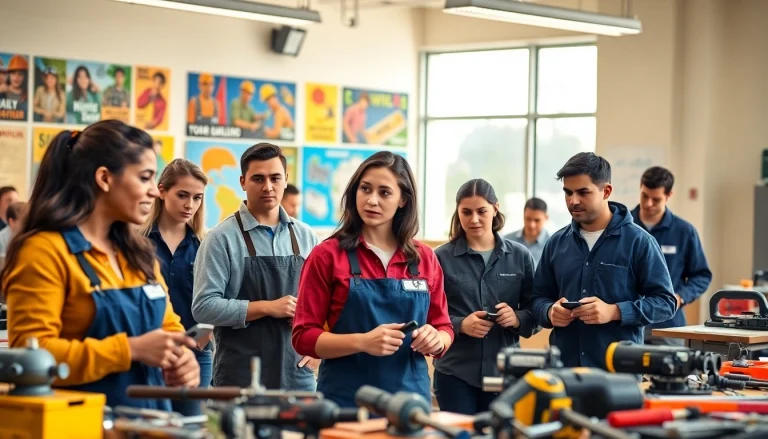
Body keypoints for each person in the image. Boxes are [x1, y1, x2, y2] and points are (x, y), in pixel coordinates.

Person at [1, 120, 199, 410]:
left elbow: (168, 327)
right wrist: (129, 349)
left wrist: (182, 360)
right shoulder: (44, 251)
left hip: (149, 422)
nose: (154, 192)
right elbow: (31, 357)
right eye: (144, 178)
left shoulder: (138, 253)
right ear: (105, 178)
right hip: (82, 423)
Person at [292, 151, 454, 408]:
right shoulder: (327, 255)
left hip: (410, 402)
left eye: (384, 192)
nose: (372, 200)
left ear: (403, 200)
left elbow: (443, 327)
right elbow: (303, 336)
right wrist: (363, 342)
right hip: (345, 401)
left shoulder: (425, 258)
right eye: (365, 189)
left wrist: (437, 340)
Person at [531, 152, 676, 369]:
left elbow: (666, 302)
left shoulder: (639, 242)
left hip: (618, 375)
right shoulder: (556, 243)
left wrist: (615, 311)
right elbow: (537, 298)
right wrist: (549, 311)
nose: (573, 201)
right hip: (564, 372)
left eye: (583, 192)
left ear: (606, 191)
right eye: (568, 193)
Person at [192, 143, 319, 390]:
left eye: (275, 178)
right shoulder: (221, 238)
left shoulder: (307, 237)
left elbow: (323, 303)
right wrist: (267, 307)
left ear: (286, 180)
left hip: (297, 375)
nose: (268, 187)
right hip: (239, 376)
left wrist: (318, 348)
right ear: (242, 182)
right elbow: (203, 307)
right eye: (258, 179)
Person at [433, 179, 538, 415]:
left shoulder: (520, 256)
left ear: (495, 208)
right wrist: (460, 325)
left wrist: (517, 318)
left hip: (506, 373)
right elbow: (426, 314)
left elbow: (537, 311)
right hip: (455, 373)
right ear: (457, 212)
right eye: (466, 212)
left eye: (482, 211)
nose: (474, 219)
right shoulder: (439, 258)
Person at [139, 159, 211, 415]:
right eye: (182, 195)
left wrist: (206, 337)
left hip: (196, 354)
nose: (189, 205)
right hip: (148, 351)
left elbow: (220, 298)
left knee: (191, 426)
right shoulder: (137, 243)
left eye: (197, 197)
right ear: (161, 191)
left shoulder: (206, 244)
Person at [631, 166, 712, 346]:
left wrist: (680, 297)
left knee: (670, 373)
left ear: (669, 196)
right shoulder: (622, 227)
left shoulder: (684, 232)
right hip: (628, 325)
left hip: (668, 326)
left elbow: (702, 275)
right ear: (640, 187)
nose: (648, 203)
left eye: (656, 199)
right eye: (645, 196)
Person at [504, 197, 550, 268]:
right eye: (528, 219)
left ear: (546, 218)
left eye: (537, 220)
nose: (531, 225)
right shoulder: (507, 241)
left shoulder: (553, 244)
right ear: (523, 215)